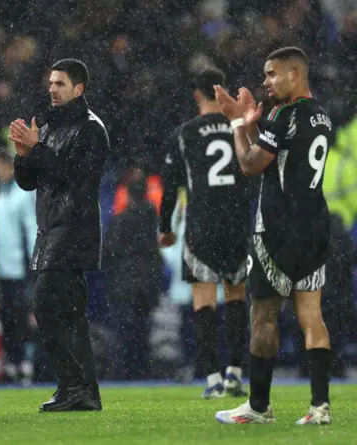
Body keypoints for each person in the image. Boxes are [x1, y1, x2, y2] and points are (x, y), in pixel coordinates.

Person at [213, 46, 334, 425]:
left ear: (294, 74)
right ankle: (320, 407)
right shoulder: (321, 116)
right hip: (314, 229)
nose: (265, 82)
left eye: (271, 74)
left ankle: (259, 407)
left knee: (263, 315)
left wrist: (235, 124)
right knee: (311, 317)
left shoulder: (284, 113)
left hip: (278, 231)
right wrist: (252, 124)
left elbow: (251, 165)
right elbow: (278, 152)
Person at [9, 58, 109, 412]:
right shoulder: (49, 128)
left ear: (78, 89)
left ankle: (75, 386)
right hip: (50, 228)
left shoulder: (91, 129)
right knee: (67, 312)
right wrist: (23, 155)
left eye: (60, 83)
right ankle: (80, 390)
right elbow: (30, 182)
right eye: (51, 83)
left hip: (74, 228)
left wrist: (37, 149)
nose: (52, 89)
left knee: (47, 304)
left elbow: (74, 180)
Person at [159, 68, 251, 399]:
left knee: (204, 300)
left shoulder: (184, 134)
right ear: (222, 90)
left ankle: (212, 379)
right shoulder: (239, 127)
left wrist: (165, 228)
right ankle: (236, 374)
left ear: (197, 95)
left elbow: (170, 187)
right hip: (237, 223)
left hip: (203, 225)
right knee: (238, 297)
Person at [103, 172, 161, 380]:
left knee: (125, 331)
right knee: (143, 331)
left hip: (124, 285)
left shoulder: (120, 220)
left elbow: (108, 252)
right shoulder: (152, 220)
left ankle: (125, 372)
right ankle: (143, 370)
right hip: (145, 285)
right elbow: (155, 256)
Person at [0, 149, 38, 382]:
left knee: (16, 318)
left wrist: (35, 261)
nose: (1, 171)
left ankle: (19, 362)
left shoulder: (22, 195)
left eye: (4, 166)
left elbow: (30, 227)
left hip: (15, 268)